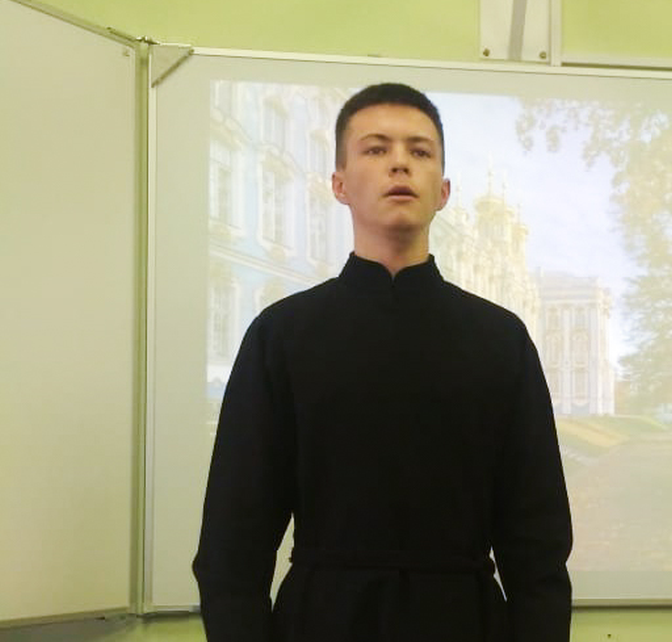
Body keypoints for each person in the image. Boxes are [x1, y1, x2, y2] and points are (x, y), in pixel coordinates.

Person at [192, 82, 573, 642]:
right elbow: (233, 543)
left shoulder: (501, 340)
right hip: (320, 622)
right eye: (376, 148)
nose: (400, 163)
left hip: (465, 621)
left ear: (443, 191)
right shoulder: (282, 335)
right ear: (339, 184)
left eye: (420, 151)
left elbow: (537, 547)